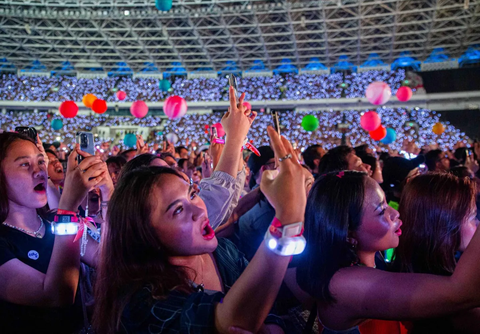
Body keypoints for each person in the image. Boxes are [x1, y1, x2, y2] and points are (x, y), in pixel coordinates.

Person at [94, 90, 307, 334]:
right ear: (145, 234)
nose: (198, 208)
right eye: (177, 210)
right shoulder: (142, 300)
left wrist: (270, 327)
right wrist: (288, 219)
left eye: (193, 194)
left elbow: (269, 302)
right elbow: (231, 323)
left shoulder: (223, 251)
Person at [296, 171, 480, 333]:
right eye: (381, 210)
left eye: (387, 202)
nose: (395, 213)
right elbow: (462, 292)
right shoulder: (345, 283)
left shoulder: (375, 260)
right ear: (349, 233)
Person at [0, 132, 109, 333]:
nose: (40, 171)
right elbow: (56, 295)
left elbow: (109, 259)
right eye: (25, 164)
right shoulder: (4, 240)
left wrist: (107, 193)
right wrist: (67, 209)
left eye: (41, 161)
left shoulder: (52, 221)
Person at [394, 173, 479, 333]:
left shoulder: (410, 266)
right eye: (473, 217)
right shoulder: (442, 291)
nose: (478, 224)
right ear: (443, 224)